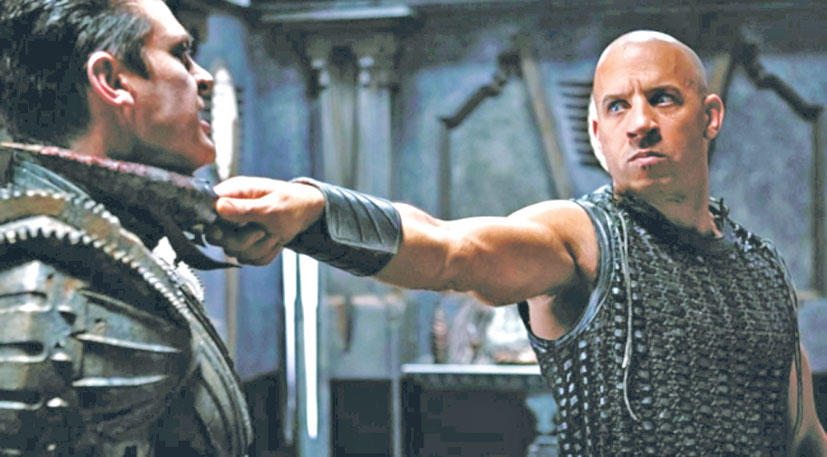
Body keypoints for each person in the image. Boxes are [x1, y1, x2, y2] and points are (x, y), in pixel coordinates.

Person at [209, 30, 827, 454]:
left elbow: (804, 437)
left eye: (662, 99)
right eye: (618, 107)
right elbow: (451, 251)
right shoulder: (581, 238)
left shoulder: (760, 267)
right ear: (597, 132)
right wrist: (319, 212)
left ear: (710, 116)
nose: (640, 122)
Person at [0, 0, 250, 455]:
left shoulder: (104, 251)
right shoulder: (50, 280)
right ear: (112, 81)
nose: (203, 77)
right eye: (180, 54)